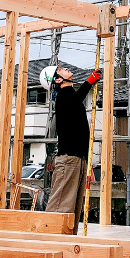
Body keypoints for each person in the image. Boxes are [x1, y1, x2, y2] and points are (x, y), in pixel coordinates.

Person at [44, 65, 102, 233]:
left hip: (78, 158)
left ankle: (68, 240)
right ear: (58, 79)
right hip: (68, 158)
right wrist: (89, 82)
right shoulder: (63, 97)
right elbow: (74, 101)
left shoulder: (71, 96)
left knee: (73, 206)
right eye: (62, 69)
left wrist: (87, 160)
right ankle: (50, 238)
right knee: (60, 204)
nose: (66, 68)